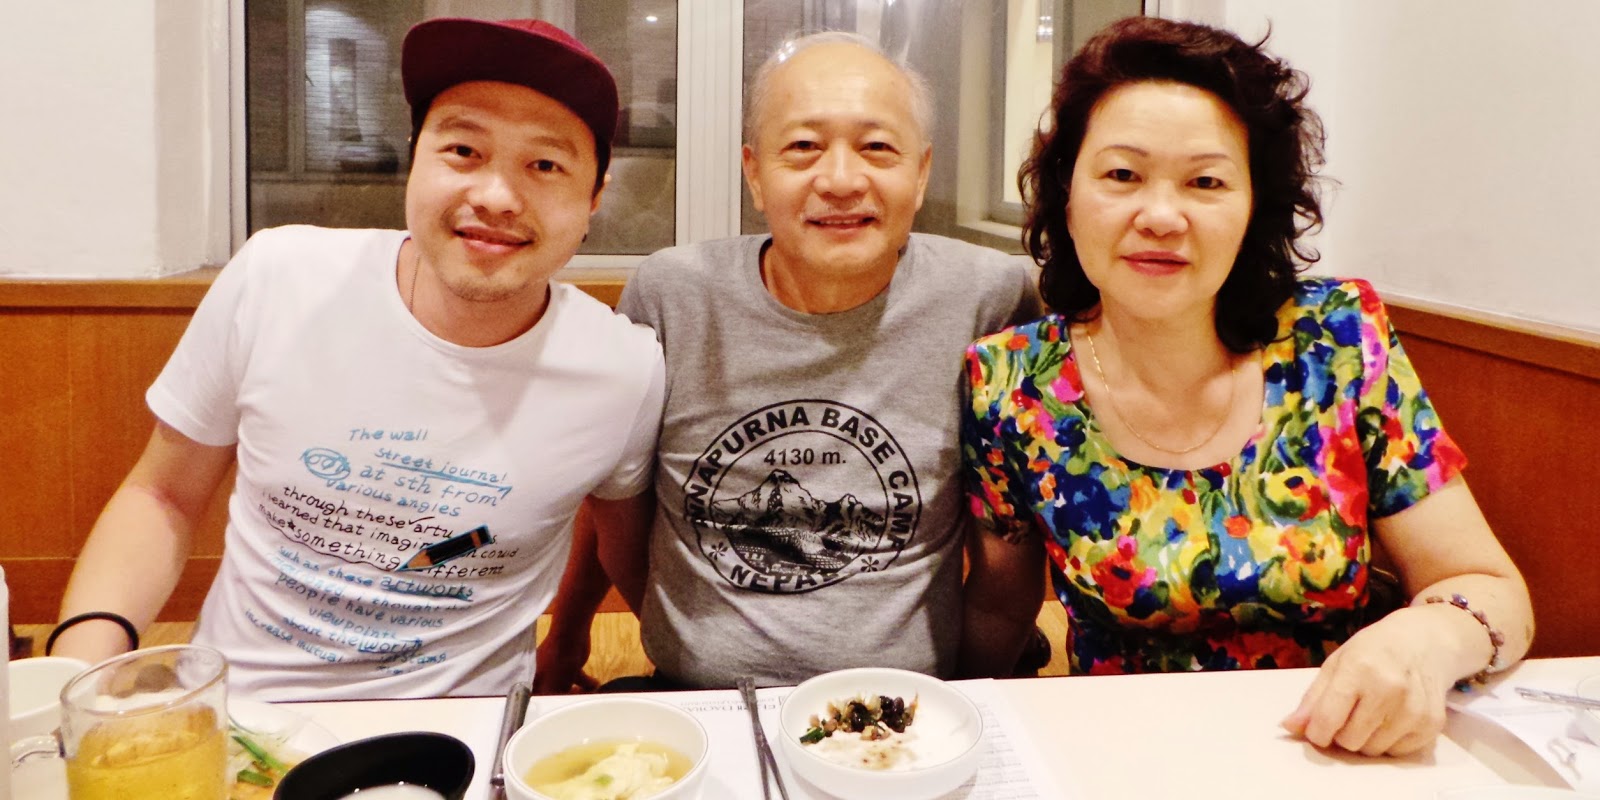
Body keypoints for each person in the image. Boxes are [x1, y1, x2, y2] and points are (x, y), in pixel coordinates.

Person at [960, 16, 1533, 757]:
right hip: (1124, 756)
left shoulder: (1337, 338)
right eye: (1122, 175)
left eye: (1206, 182)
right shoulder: (1010, 382)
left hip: (1339, 749)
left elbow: (1491, 588)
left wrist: (1430, 637)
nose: (1160, 216)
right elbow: (998, 613)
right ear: (1067, 195)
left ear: (1253, 205)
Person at [48, 18, 666, 701]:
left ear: (594, 197)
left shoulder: (622, 370)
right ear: (415, 159)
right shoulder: (280, 277)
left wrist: (582, 643)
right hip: (238, 715)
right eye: (463, 149)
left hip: (466, 733)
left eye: (545, 165)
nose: (495, 196)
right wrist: (74, 683)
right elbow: (162, 494)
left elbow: (625, 550)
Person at [534, 31, 1040, 693]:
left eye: (877, 147)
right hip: (696, 697)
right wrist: (570, 636)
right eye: (803, 147)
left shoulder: (990, 298)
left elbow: (1009, 550)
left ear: (920, 175)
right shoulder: (672, 296)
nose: (840, 180)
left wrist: (962, 701)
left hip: (907, 705)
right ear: (754, 173)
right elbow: (615, 496)